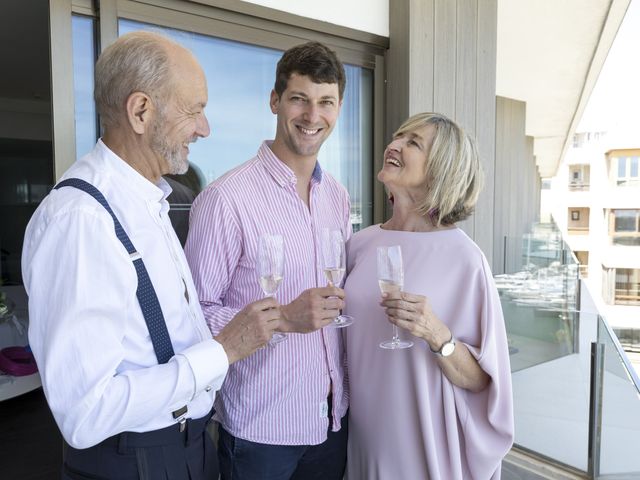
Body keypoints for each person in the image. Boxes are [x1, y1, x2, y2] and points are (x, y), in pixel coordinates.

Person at [22, 31, 281, 480]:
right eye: (194, 110)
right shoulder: (82, 220)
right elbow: (86, 413)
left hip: (184, 450)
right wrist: (221, 352)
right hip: (135, 463)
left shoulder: (150, 201)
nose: (205, 129)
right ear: (141, 111)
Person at [185, 41, 350, 479]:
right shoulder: (225, 199)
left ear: (338, 108)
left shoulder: (337, 196)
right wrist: (284, 319)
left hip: (331, 417)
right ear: (275, 101)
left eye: (325, 102)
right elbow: (193, 317)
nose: (312, 116)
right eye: (299, 99)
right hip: (261, 429)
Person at [343, 112, 514, 479]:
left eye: (413, 143)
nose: (395, 145)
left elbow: (483, 381)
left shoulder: (466, 260)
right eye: (398, 136)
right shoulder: (360, 243)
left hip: (423, 439)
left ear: (440, 171)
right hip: (364, 433)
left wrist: (436, 333)